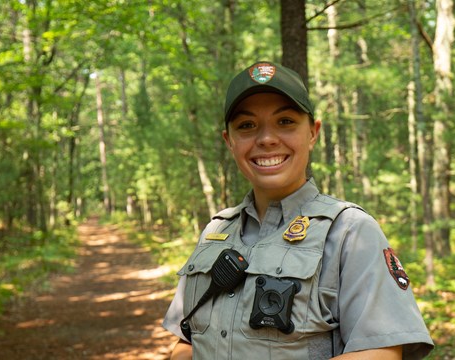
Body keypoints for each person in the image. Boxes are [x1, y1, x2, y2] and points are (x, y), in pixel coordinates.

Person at [162, 61, 434, 359]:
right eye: (247, 125)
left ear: (313, 133)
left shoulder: (349, 231)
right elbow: (187, 342)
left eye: (286, 121)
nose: (266, 139)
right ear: (229, 141)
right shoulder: (216, 232)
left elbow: (382, 352)